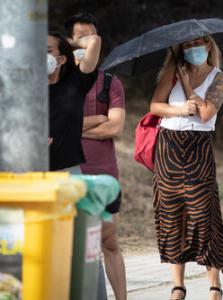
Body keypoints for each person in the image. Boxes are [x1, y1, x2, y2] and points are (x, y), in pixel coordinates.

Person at [150, 34, 223, 300]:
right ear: (181, 50)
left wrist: (187, 85)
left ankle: (214, 285)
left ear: (208, 46)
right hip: (169, 146)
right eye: (187, 45)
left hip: (198, 147)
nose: (193, 49)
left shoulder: (218, 77)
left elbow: (206, 113)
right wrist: (181, 109)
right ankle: (178, 285)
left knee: (205, 215)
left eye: (198, 44)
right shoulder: (172, 70)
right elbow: (155, 106)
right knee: (172, 215)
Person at [64, 12, 127, 300]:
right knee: (71, 245)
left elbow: (115, 125)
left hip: (104, 174)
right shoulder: (59, 83)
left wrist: (73, 127)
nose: (87, 43)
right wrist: (93, 120)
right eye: (81, 37)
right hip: (66, 173)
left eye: (92, 37)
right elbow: (54, 123)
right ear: (69, 42)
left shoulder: (109, 83)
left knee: (108, 241)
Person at [48, 31, 101, 172]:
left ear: (61, 59)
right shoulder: (24, 88)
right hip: (28, 169)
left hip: (66, 169)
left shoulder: (75, 83)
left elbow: (94, 41)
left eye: (47, 50)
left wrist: (72, 44)